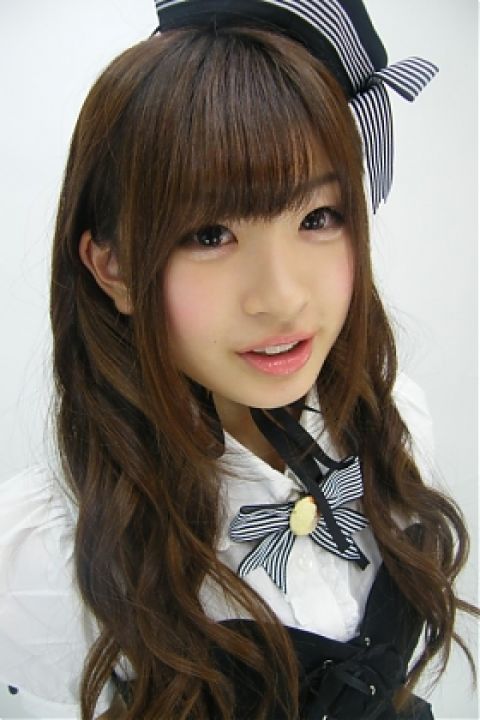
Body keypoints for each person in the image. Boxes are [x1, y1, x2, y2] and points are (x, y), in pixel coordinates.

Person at [0, 1, 477, 718]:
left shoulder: (393, 421)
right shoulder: (44, 554)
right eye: (210, 235)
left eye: (318, 218)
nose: (281, 298)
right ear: (114, 267)